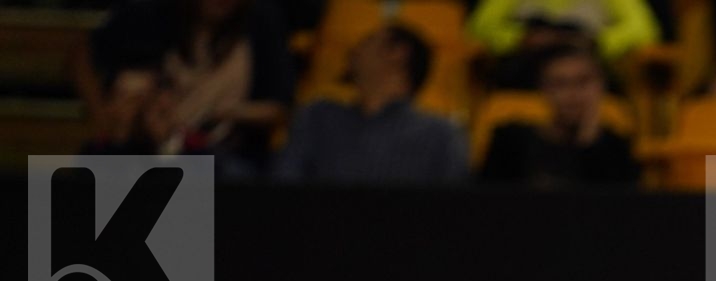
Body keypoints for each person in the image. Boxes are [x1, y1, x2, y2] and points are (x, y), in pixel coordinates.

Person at [75, 0, 293, 176]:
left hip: (227, 158)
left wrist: (218, 110)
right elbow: (81, 56)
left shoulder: (261, 18)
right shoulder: (150, 14)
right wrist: (108, 120)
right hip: (147, 151)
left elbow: (279, 109)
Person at [274, 24, 469, 184]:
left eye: (367, 41)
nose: (354, 50)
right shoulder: (318, 117)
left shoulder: (440, 136)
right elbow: (284, 189)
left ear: (397, 53)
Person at [479, 45, 639, 187]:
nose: (573, 94)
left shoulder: (616, 149)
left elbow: (619, 208)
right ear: (543, 89)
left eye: (583, 82)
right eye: (560, 83)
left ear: (601, 86)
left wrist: (590, 143)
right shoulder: (510, 142)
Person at [468, 0, 659, 89]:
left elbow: (643, 30)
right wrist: (520, 39)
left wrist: (596, 42)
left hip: (586, 67)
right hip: (526, 73)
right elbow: (479, 28)